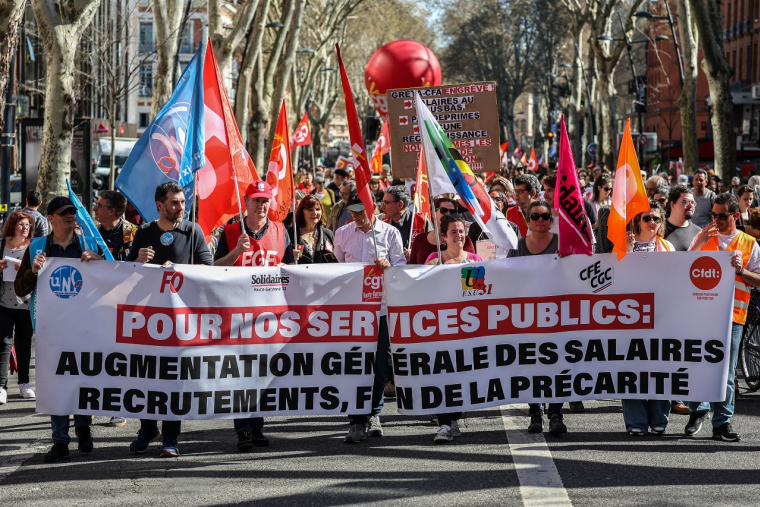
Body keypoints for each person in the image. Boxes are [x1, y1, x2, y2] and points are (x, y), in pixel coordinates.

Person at [14, 196, 104, 462]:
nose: (70, 216)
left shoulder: (88, 244)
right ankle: (60, 440)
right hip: (50, 329)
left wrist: (100, 263)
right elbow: (20, 289)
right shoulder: (38, 247)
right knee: (56, 384)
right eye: (64, 212)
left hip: (86, 326)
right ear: (50, 218)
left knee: (83, 379)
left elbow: (111, 283)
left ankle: (84, 428)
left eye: (73, 212)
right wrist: (32, 271)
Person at [126, 183, 213, 457]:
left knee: (173, 379)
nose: (181, 207)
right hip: (148, 318)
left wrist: (179, 270)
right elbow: (127, 273)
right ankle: (147, 428)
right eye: (174, 203)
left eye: (182, 202)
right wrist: (138, 260)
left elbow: (208, 268)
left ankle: (170, 437)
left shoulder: (192, 231)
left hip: (178, 320)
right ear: (159, 205)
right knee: (148, 376)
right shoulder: (145, 232)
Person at [213, 181, 293, 451]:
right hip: (237, 314)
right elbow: (212, 268)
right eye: (256, 200)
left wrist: (285, 269)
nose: (261, 205)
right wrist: (237, 251)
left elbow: (294, 268)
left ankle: (257, 424)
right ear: (245, 201)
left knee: (262, 372)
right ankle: (243, 428)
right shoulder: (231, 231)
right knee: (241, 372)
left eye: (265, 200)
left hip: (270, 317)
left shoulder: (282, 231)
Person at [686, 193, 760, 441]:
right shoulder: (704, 236)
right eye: (713, 215)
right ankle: (698, 410)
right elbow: (681, 269)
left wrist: (741, 271)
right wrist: (698, 244)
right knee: (697, 365)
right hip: (701, 314)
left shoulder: (749, 243)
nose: (715, 219)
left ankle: (722, 423)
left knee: (727, 373)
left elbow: (758, 280)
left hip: (733, 315)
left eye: (722, 215)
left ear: (735, 215)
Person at [334, 195, 405, 443]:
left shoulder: (390, 233)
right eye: (352, 212)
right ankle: (356, 420)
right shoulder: (342, 234)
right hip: (353, 312)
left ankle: (374, 413)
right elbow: (337, 270)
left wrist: (389, 266)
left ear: (372, 207)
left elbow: (401, 268)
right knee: (354, 364)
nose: (356, 216)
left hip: (382, 310)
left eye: (360, 211)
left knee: (379, 365)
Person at [506, 201, 567, 435]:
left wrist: (568, 259)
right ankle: (535, 412)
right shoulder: (518, 246)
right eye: (535, 216)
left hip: (558, 317)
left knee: (558, 366)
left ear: (551, 220)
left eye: (545, 216)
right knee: (532, 366)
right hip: (527, 318)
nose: (540, 220)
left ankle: (556, 414)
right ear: (528, 220)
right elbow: (508, 278)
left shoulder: (562, 245)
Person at [424, 213, 481, 443]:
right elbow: (425, 293)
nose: (459, 235)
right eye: (453, 232)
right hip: (441, 331)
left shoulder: (475, 261)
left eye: (461, 231)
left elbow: (477, 296)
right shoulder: (433, 261)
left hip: (468, 332)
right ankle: (444, 424)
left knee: (462, 378)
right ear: (444, 237)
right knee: (443, 377)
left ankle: (454, 418)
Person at [0, 212, 35, 406]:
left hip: (26, 303)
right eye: (21, 224)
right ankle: (1, 387)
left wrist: (27, 270)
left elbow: (41, 273)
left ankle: (24, 384)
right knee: (3, 344)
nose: (25, 228)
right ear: (12, 226)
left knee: (24, 344)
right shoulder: (1, 245)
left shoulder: (33, 247)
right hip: (3, 303)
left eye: (28, 225)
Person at [409, 197, 476, 264]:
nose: (448, 214)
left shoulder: (464, 240)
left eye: (452, 212)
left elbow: (473, 263)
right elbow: (412, 267)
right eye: (443, 210)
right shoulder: (420, 239)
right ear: (433, 213)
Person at [381, 185, 432, 254]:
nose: (382, 207)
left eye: (386, 203)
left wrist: (414, 253)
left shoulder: (422, 221)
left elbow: (433, 248)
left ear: (400, 205)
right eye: (382, 203)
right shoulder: (383, 223)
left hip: (417, 264)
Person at [290, 194, 335, 264]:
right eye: (310, 210)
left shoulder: (328, 234)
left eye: (317, 209)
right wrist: (289, 255)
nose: (315, 213)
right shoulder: (290, 233)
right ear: (302, 212)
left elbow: (334, 262)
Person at [94, 190, 136, 262]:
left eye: (99, 205)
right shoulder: (91, 232)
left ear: (112, 211)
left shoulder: (134, 234)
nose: (94, 209)